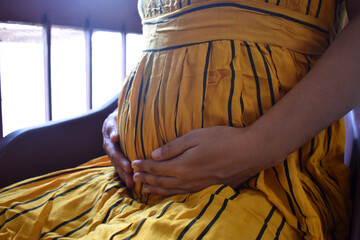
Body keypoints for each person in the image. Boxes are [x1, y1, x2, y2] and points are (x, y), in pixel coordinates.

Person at [1, 0, 359, 239]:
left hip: (266, 186)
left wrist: (258, 147)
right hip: (126, 185)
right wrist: (120, 113)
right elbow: (172, 43)